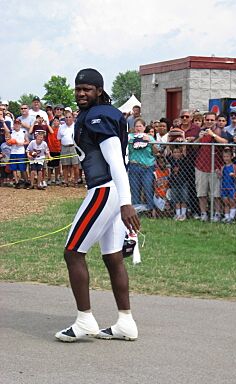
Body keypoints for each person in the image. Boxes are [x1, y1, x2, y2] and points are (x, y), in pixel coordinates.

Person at [55, 68, 140, 342]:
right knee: (112, 256)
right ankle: (125, 322)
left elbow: (115, 161)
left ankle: (84, 320)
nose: (81, 93)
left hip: (105, 189)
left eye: (87, 89)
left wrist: (126, 203)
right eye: (78, 89)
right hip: (112, 189)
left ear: (99, 91)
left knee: (73, 252)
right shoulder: (104, 113)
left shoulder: (98, 115)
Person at [194, 112, 230, 222]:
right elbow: (194, 148)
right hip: (201, 166)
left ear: (215, 120)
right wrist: (199, 138)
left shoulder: (221, 131)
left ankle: (217, 213)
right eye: (207, 120)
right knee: (201, 193)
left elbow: (225, 143)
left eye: (211, 120)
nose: (209, 122)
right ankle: (203, 213)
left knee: (216, 194)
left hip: (216, 167)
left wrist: (213, 135)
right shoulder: (201, 131)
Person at [128, 118, 159, 215]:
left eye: (140, 126)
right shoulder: (130, 137)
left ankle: (150, 210)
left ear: (144, 127)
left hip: (147, 167)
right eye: (136, 126)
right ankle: (137, 212)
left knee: (148, 188)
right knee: (135, 190)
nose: (138, 128)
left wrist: (150, 141)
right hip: (134, 166)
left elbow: (156, 151)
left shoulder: (149, 137)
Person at [57, 111, 80, 186]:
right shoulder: (61, 127)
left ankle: (76, 181)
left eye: (70, 117)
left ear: (73, 118)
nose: (68, 118)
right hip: (64, 147)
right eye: (66, 117)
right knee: (65, 165)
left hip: (74, 147)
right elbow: (59, 138)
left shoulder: (76, 126)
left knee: (75, 165)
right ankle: (65, 181)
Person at [168, 146, 189, 221]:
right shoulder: (171, 160)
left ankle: (183, 214)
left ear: (181, 153)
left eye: (178, 152)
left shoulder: (184, 160)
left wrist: (183, 148)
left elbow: (185, 153)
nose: (176, 154)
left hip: (183, 182)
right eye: (174, 152)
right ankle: (178, 214)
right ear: (172, 153)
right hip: (174, 182)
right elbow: (167, 153)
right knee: (176, 199)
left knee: (184, 198)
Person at [9, 119, 30, 188]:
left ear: (20, 125)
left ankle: (26, 181)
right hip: (13, 152)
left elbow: (27, 141)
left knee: (23, 168)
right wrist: (10, 142)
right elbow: (8, 142)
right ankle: (17, 182)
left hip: (21, 152)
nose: (17, 125)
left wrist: (21, 143)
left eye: (18, 124)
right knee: (13, 168)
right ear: (14, 125)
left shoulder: (23, 131)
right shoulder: (11, 132)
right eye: (15, 124)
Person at [220, 148, 236, 223]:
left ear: (231, 157)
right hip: (224, 187)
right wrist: (219, 173)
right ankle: (227, 217)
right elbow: (221, 176)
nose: (226, 158)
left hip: (231, 187)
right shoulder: (223, 167)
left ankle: (231, 217)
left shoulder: (234, 166)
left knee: (232, 202)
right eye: (224, 157)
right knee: (226, 202)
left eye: (227, 156)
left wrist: (234, 174)